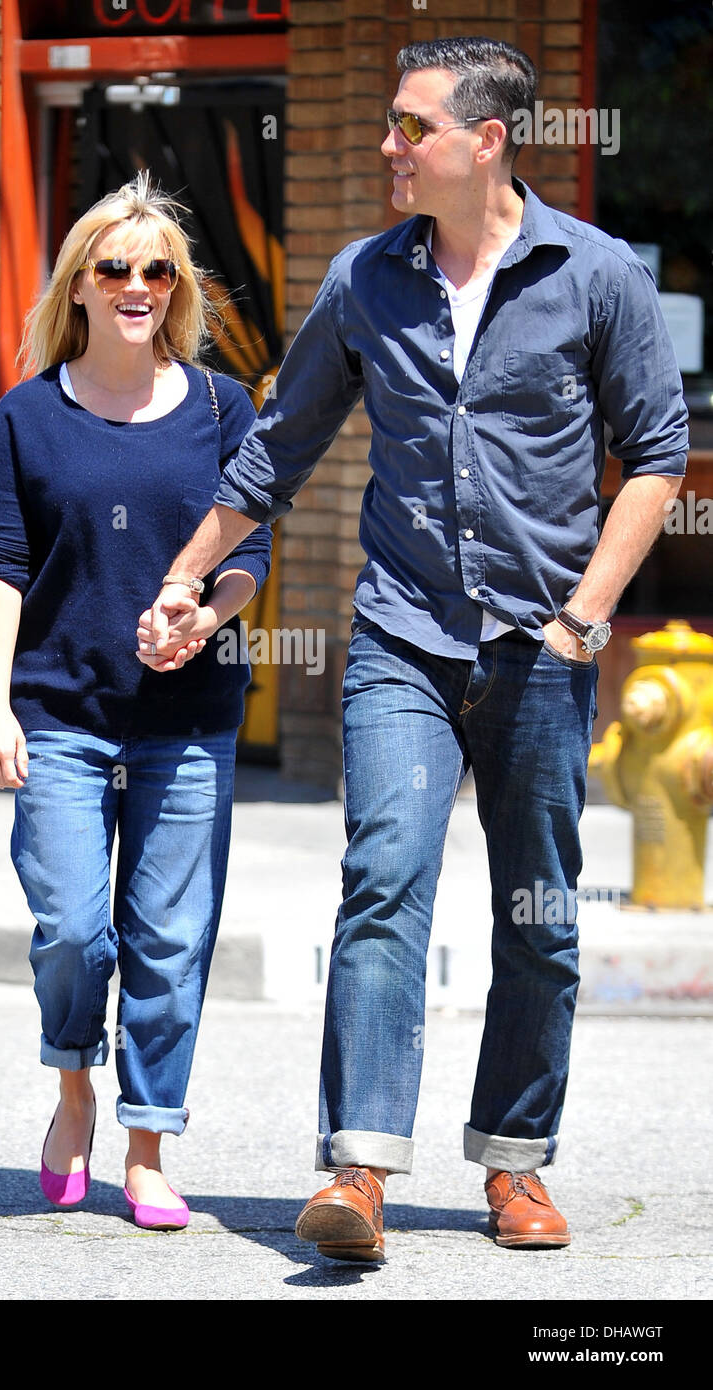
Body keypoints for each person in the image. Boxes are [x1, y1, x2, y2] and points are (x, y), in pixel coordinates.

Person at [139, 37, 688, 1261]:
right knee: (382, 880)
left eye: (410, 126)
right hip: (401, 633)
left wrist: (583, 615)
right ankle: (359, 1169)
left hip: (539, 644)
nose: (388, 145)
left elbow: (655, 454)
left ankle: (513, 1161)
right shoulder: (364, 279)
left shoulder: (595, 275)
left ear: (485, 141)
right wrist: (185, 580)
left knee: (536, 912)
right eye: (390, 122)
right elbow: (275, 449)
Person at [0, 173, 272, 1229]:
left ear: (175, 288)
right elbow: (2, 562)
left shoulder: (222, 408)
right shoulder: (27, 414)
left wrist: (208, 614)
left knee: (171, 939)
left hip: (186, 723)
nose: (137, 285)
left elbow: (249, 556)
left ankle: (147, 1147)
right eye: (115, 268)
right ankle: (72, 1087)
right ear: (80, 285)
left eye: (158, 270)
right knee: (70, 926)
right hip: (58, 712)